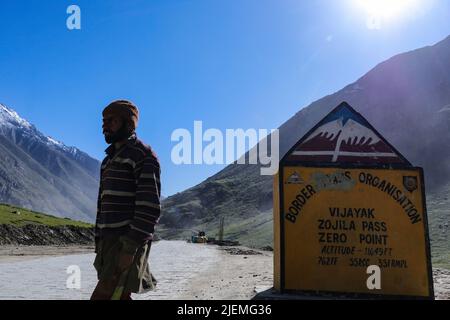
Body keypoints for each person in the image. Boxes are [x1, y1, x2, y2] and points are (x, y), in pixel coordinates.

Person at [90, 100, 161, 300]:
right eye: (103, 121)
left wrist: (129, 248)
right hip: (108, 242)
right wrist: (99, 242)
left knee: (103, 296)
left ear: (129, 124)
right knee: (119, 297)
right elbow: (102, 205)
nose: (104, 125)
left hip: (126, 241)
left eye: (111, 120)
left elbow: (149, 207)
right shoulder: (108, 161)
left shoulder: (143, 156)